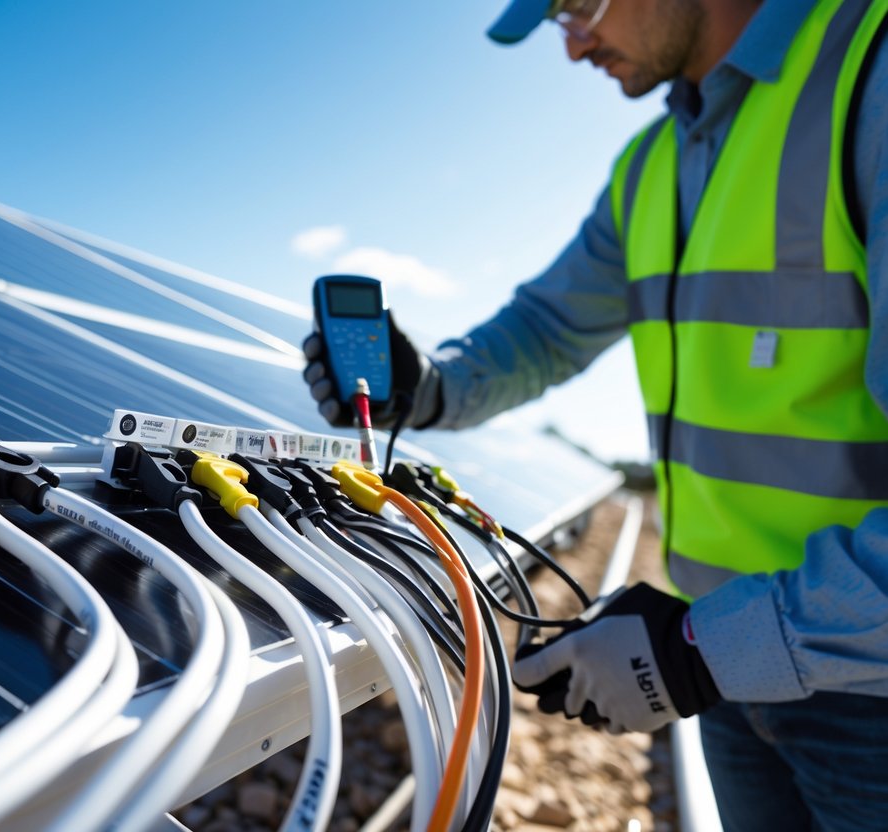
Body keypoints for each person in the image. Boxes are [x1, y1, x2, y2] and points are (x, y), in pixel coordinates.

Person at [302, 0, 888, 829]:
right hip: (731, 670)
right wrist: (426, 384)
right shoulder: (652, 166)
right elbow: (545, 329)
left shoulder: (868, 77)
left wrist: (700, 653)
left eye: (576, 7)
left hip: (865, 691)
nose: (573, 46)